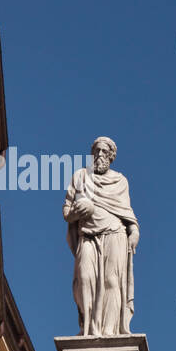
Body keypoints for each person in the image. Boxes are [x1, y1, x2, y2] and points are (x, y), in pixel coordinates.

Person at [63, 137, 139, 336]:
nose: (99, 155)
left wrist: (134, 231)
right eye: (96, 151)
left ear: (111, 156)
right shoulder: (80, 177)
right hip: (87, 236)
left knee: (111, 281)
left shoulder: (121, 181)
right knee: (85, 279)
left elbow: (127, 212)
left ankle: (109, 331)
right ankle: (88, 329)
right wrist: (79, 212)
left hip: (115, 234)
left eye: (104, 152)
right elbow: (66, 213)